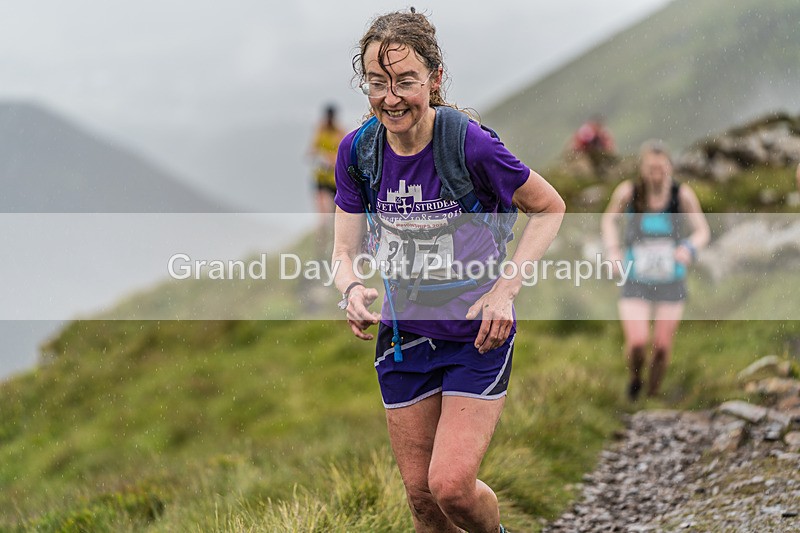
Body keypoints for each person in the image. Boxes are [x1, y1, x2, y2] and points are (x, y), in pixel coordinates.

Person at [331, 9, 565, 533]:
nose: (391, 97)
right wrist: (350, 288)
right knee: (421, 502)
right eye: (377, 83)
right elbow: (342, 252)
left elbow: (550, 207)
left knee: (452, 488)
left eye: (406, 81)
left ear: (434, 80)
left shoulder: (468, 144)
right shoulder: (358, 153)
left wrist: (506, 289)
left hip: (475, 336)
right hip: (402, 340)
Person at [601, 140, 710, 401]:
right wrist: (613, 252)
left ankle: (652, 394)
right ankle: (636, 379)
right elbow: (609, 220)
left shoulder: (682, 195)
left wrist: (689, 248)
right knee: (638, 342)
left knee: (661, 346)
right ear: (642, 169)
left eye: (661, 167)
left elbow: (702, 230)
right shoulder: (628, 192)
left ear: (670, 167)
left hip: (671, 280)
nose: (656, 173)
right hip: (635, 277)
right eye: (651, 168)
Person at [308, 104, 345, 257]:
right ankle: (321, 247)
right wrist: (322, 156)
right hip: (322, 179)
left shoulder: (339, 132)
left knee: (335, 214)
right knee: (323, 216)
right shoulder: (320, 131)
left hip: (334, 180)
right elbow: (311, 152)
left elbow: (344, 154)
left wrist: (331, 159)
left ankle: (334, 245)